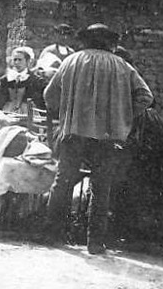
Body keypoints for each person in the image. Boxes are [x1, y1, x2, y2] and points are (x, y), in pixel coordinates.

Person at [40, 23, 154, 254]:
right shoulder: (122, 66)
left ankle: (53, 235)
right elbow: (145, 96)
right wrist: (124, 116)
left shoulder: (71, 61)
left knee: (62, 182)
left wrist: (66, 113)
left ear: (86, 40)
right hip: (108, 136)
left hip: (74, 133)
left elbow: (49, 95)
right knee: (101, 188)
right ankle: (95, 243)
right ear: (108, 42)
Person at [0, 46, 45, 115]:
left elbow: (39, 102)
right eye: (15, 60)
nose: (17, 62)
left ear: (27, 61)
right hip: (8, 112)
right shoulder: (5, 80)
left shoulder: (35, 80)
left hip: (28, 114)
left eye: (20, 60)